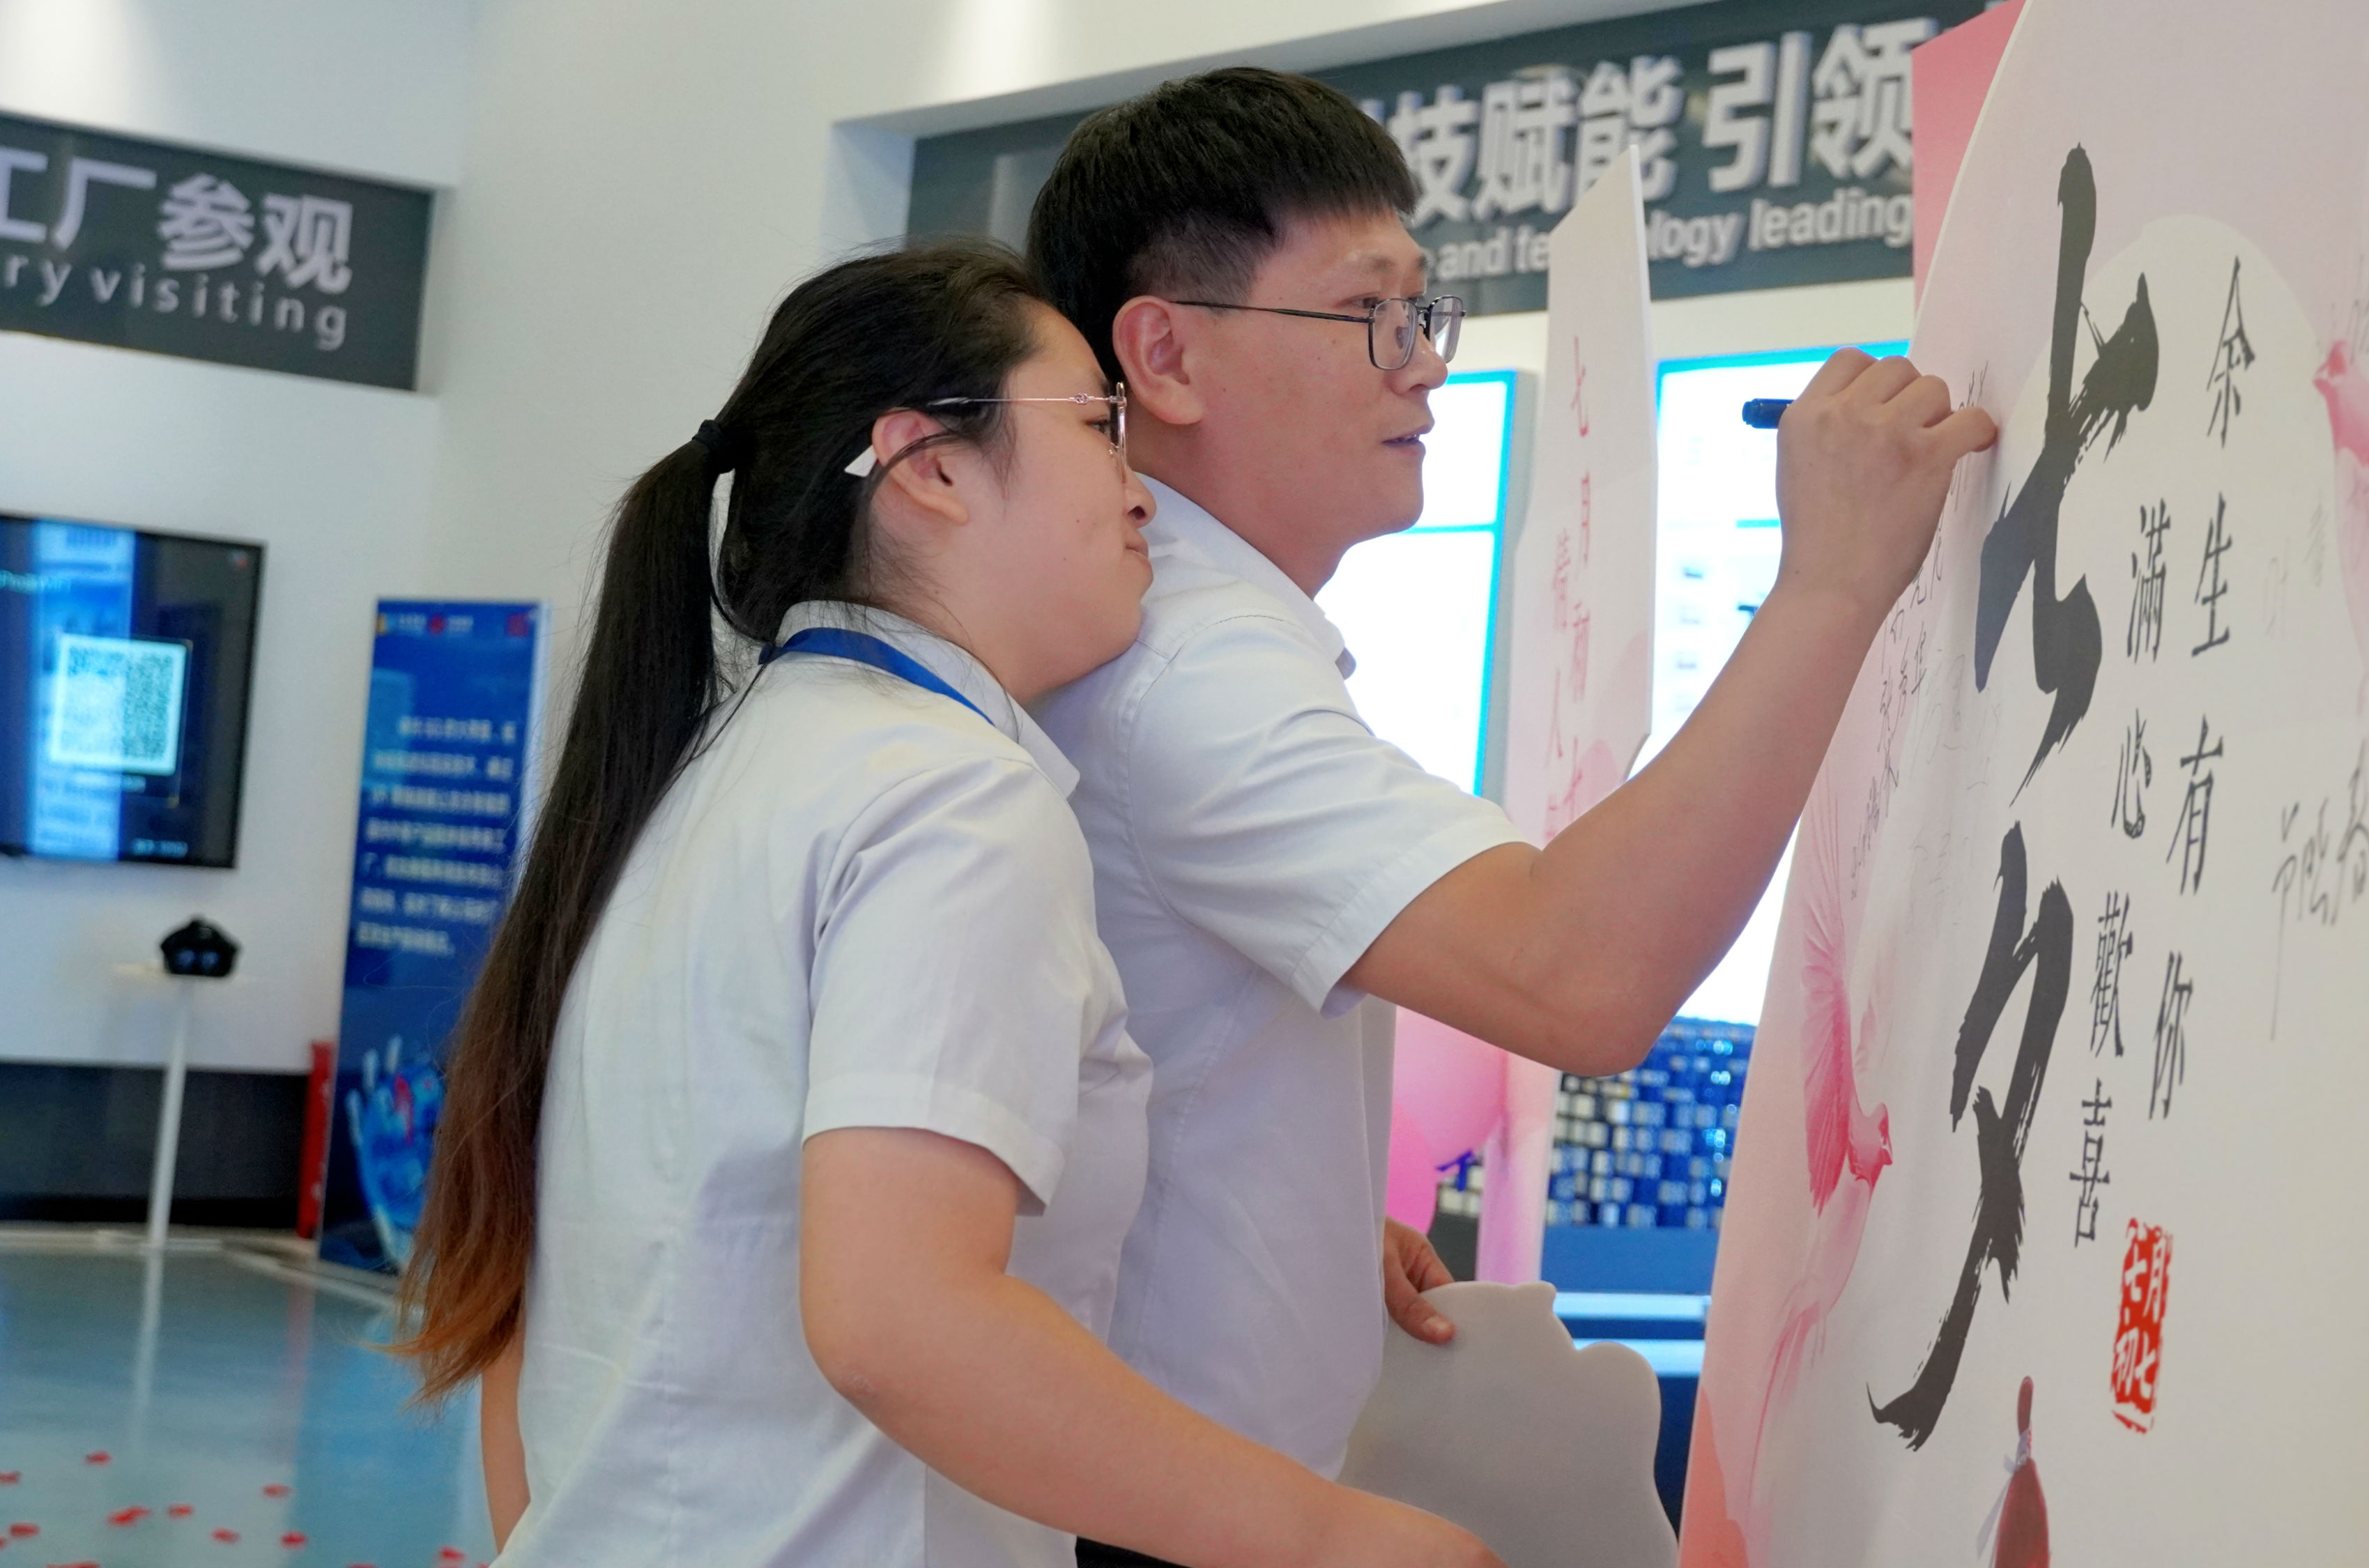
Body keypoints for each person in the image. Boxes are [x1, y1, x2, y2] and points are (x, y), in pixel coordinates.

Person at [395, 243, 1501, 1568]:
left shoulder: (714, 773)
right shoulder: (951, 800)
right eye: (1096, 425)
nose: (1140, 490)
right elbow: (900, 1317)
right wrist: (1335, 1538)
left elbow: (589, 1293)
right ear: (928, 466)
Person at [1025, 68, 1995, 1564]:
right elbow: (1578, 975)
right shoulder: (1186, 673)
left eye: (1424, 311)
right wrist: (1830, 580)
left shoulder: (1193, 636)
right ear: (1165, 354)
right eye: (1369, 314)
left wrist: (1282, 1217)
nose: (1422, 366)